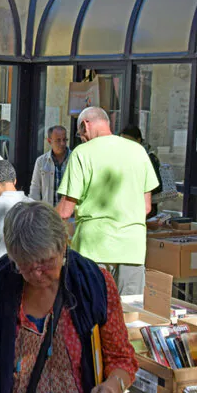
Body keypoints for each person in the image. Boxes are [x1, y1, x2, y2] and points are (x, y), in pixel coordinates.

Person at [0, 202, 138, 393]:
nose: (37, 274)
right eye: (26, 265)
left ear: (63, 246)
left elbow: (121, 359)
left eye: (46, 262)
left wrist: (113, 386)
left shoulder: (93, 285)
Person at [56, 107, 159, 296]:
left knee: (92, 312)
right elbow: (146, 207)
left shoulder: (82, 153)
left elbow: (64, 211)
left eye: (80, 134)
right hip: (132, 248)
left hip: (94, 247)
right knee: (129, 313)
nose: (82, 138)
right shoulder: (138, 151)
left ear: (85, 125)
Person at [120, 125, 162, 219]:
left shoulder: (148, 157)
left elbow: (157, 185)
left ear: (138, 140)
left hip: (144, 208)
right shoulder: (123, 156)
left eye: (128, 141)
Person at [29, 125, 71, 206]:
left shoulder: (74, 158)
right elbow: (35, 189)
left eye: (64, 140)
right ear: (49, 141)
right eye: (58, 140)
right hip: (48, 213)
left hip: (69, 214)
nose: (62, 143)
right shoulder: (41, 161)